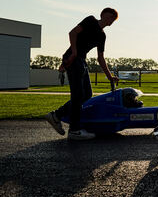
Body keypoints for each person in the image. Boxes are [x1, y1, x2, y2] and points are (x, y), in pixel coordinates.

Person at [45, 8, 119, 140]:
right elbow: (72, 33)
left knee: (87, 94)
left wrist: (110, 77)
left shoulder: (102, 36)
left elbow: (100, 58)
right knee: (78, 94)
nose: (111, 20)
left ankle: (56, 115)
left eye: (113, 19)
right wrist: (74, 52)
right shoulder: (90, 20)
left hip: (82, 61)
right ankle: (74, 130)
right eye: (109, 16)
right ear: (102, 15)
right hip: (73, 58)